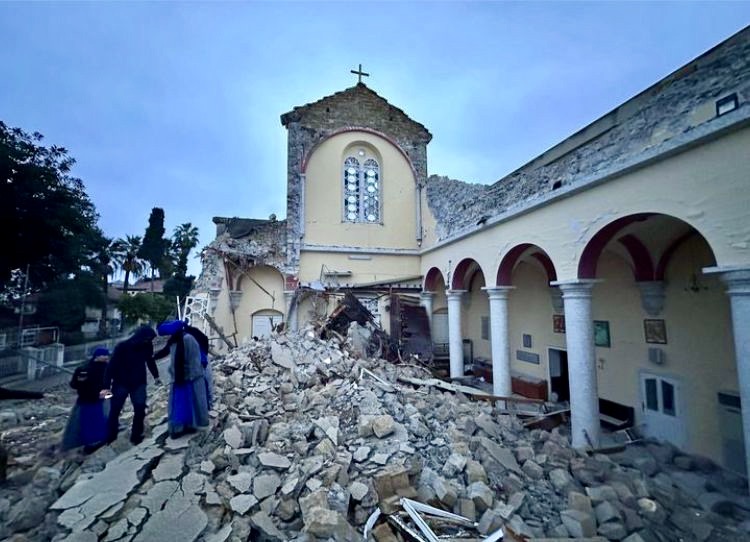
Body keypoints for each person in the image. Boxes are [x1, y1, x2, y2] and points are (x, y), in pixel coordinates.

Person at [101, 325, 159, 445]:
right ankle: (111, 436)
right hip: (121, 383)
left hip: (139, 383)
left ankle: (136, 436)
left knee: (140, 410)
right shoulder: (123, 346)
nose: (148, 341)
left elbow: (150, 361)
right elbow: (110, 367)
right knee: (115, 410)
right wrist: (106, 387)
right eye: (147, 338)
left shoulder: (147, 346)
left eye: (150, 339)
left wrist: (156, 376)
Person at [157, 320, 209, 438]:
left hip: (189, 377)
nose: (168, 337)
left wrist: (182, 375)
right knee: (185, 405)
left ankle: (182, 428)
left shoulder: (186, 339)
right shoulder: (178, 339)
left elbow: (191, 360)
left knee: (183, 405)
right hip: (183, 378)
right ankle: (180, 428)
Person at [61, 347, 110, 453]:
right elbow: (78, 385)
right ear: (98, 356)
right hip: (88, 400)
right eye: (105, 355)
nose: (107, 357)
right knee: (88, 424)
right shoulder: (84, 369)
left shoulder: (105, 367)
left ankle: (101, 439)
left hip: (100, 398)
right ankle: (89, 445)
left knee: (102, 419)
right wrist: (97, 394)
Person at [154, 322, 213, 408]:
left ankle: (203, 405)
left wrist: (154, 357)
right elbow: (205, 339)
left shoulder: (177, 338)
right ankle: (208, 404)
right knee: (206, 382)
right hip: (201, 361)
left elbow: (166, 350)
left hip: (196, 363)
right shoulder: (192, 332)